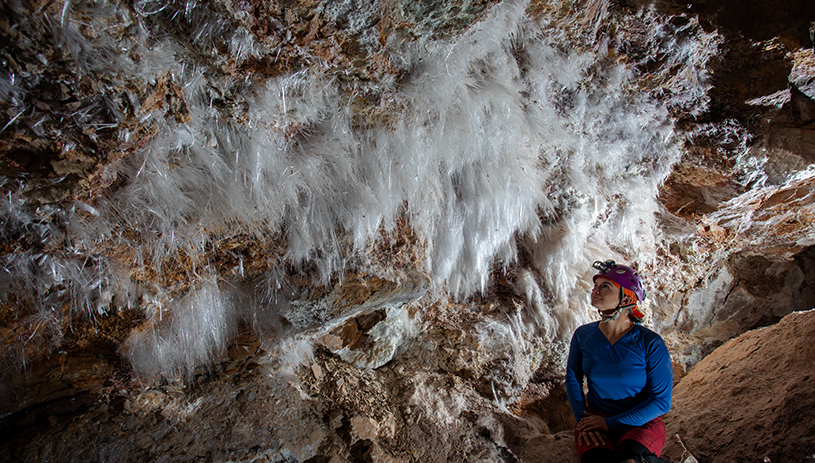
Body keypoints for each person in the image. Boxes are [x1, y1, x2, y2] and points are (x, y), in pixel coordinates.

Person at [564, 260, 673, 463]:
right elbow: (572, 379)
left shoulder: (650, 343)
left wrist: (611, 424)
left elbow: (661, 401)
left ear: (626, 299)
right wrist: (582, 421)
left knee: (629, 461)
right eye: (596, 286)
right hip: (595, 419)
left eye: (606, 287)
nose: (596, 290)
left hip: (639, 422)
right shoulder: (583, 335)